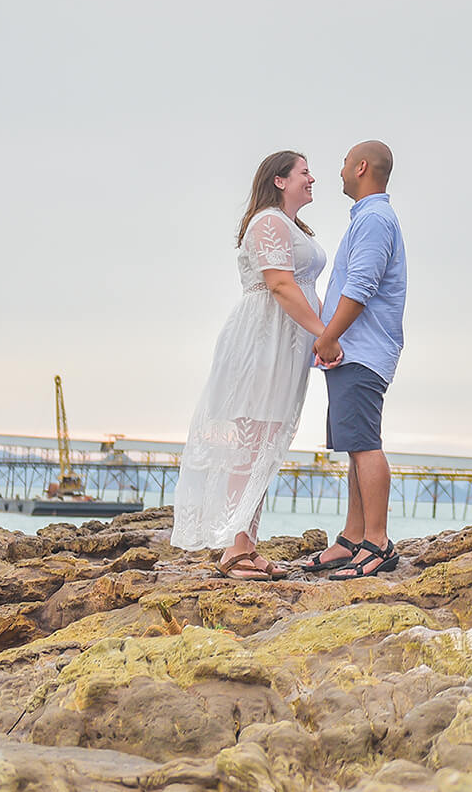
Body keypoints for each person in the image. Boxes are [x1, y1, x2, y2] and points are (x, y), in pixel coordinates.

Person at [170, 150, 326, 579]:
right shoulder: (268, 222)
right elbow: (278, 283)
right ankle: (232, 550)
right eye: (305, 172)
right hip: (262, 340)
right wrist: (325, 333)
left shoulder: (292, 226)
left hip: (286, 342)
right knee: (249, 438)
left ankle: (247, 544)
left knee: (266, 441)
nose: (313, 178)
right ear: (279, 180)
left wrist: (319, 331)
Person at [304, 140, 408, 579]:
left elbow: (361, 287)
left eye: (346, 163)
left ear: (362, 167)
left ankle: (377, 542)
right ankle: (352, 537)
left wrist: (328, 338)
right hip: (356, 352)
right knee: (354, 446)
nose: (341, 170)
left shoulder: (374, 220)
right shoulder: (369, 218)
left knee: (365, 445)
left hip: (360, 350)